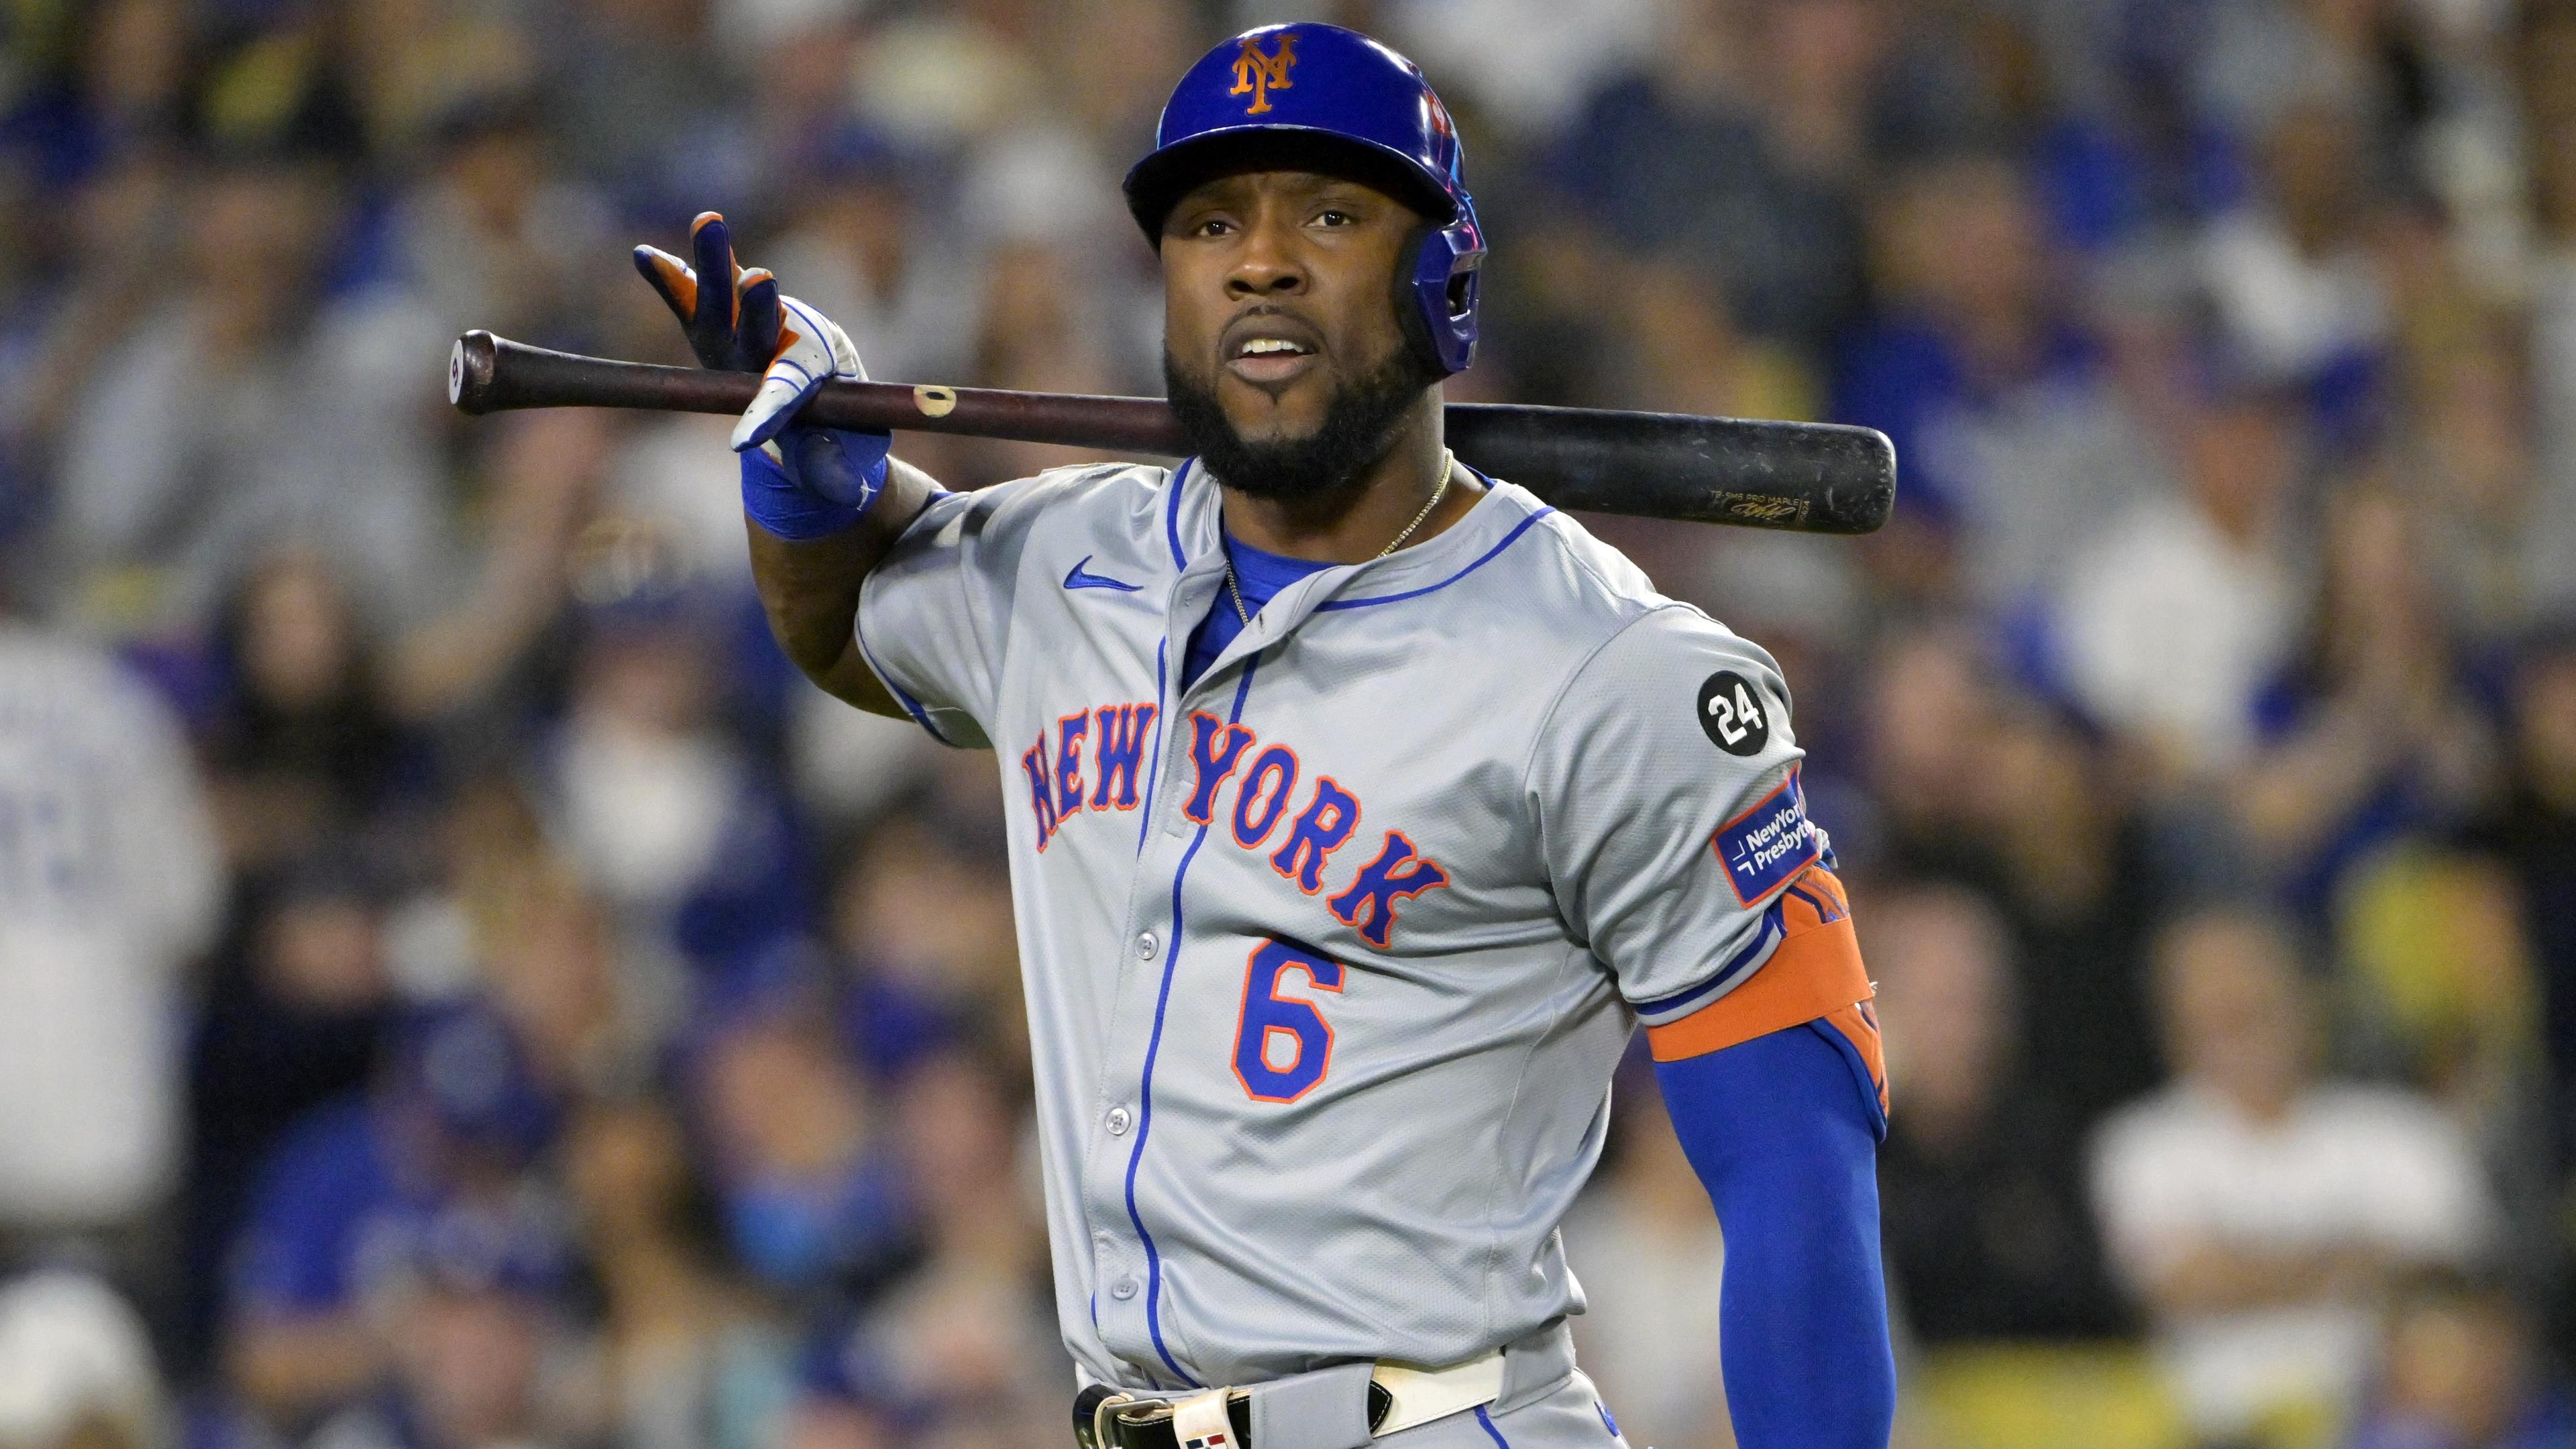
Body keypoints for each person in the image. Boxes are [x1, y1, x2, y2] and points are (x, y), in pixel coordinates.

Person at [626, 23, 1894, 1449]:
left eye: (1334, 215)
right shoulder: (1063, 560)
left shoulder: (1616, 675)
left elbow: (1797, 1165)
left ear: (1447, 280)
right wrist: (813, 490)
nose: (1260, 259)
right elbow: (850, 625)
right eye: (1209, 220)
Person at [2090, 908, 2499, 1444]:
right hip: (2215, 1428)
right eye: (2218, 1016)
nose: (2242, 1033)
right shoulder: (2141, 1146)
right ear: (2175, 1026)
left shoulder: (2406, 1133)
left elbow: (2451, 1286)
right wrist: (2359, 1262)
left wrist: (2245, 1269)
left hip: (2388, 1422)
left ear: (2307, 1000)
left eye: (2258, 1009)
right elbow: (2179, 1286)